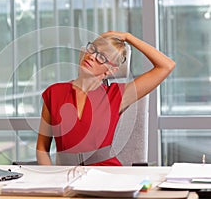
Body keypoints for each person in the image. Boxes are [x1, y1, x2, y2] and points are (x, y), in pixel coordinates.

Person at [36, 31, 175, 166]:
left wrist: (128, 37)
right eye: (92, 49)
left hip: (106, 175)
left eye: (101, 57)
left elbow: (166, 66)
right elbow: (42, 148)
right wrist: (52, 179)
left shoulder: (118, 95)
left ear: (110, 70)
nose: (91, 57)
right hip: (66, 177)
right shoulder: (54, 93)